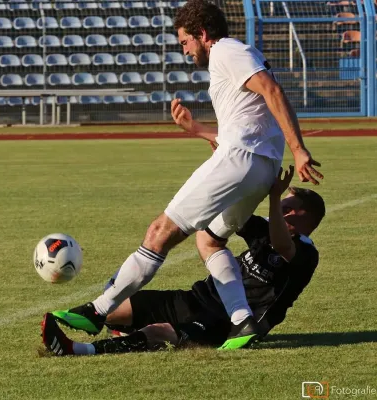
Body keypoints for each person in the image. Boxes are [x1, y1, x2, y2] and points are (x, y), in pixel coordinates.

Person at [48, 0, 323, 350]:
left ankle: (97, 311)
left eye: (185, 42)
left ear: (203, 34)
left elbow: (272, 91)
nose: (186, 51)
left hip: (240, 160)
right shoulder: (233, 57)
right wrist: (198, 130)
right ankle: (242, 322)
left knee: (160, 231)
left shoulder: (226, 50)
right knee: (211, 240)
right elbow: (249, 124)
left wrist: (299, 148)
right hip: (258, 166)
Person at [42, 167, 326, 356]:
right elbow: (230, 216)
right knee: (114, 305)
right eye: (282, 207)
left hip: (223, 322)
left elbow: (281, 243)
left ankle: (79, 350)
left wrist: (275, 196)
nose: (280, 211)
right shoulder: (266, 226)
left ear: (304, 217)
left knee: (159, 333)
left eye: (288, 208)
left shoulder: (306, 255)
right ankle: (114, 326)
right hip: (196, 297)